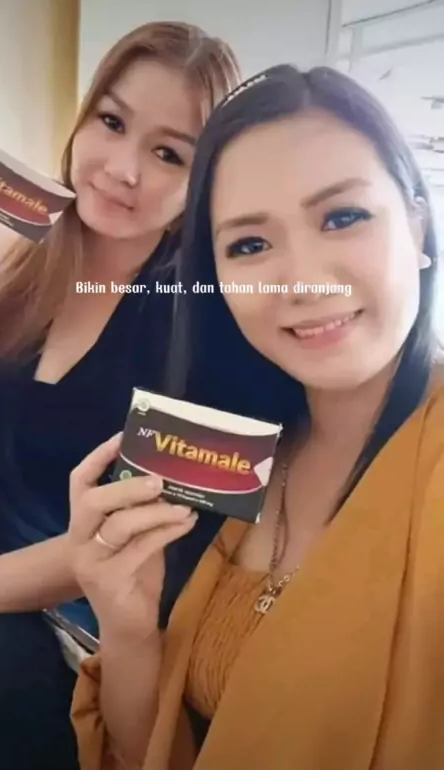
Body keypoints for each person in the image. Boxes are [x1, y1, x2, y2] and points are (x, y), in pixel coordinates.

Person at [69, 64, 444, 770]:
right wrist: (127, 628)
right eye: (249, 245)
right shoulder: (234, 451)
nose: (303, 279)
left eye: (343, 217)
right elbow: (153, 751)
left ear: (418, 224)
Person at [0, 21, 244, 770]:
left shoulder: (207, 323)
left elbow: (131, 545)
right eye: (113, 123)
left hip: (93, 631)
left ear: (207, 178)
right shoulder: (30, 253)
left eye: (168, 153)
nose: (123, 170)